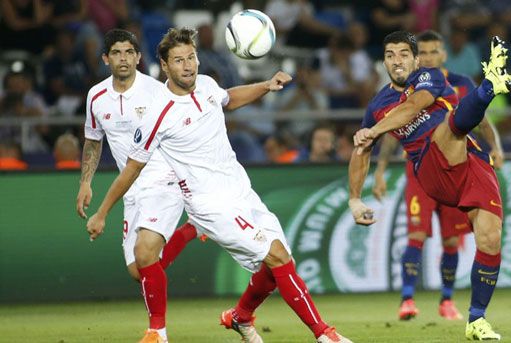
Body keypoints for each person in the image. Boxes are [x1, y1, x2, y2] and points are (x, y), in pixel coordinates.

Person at [86, 27, 352, 343]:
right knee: (277, 256)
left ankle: (240, 317)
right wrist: (102, 211)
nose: (188, 66)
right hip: (210, 204)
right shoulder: (157, 112)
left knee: (279, 265)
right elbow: (131, 168)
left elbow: (228, 98)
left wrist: (266, 86)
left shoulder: (207, 85)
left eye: (191, 57)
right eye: (179, 61)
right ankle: (323, 334)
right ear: (165, 66)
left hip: (241, 189)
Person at [349, 31, 511, 340]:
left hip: (472, 162)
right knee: (448, 128)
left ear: (416, 58)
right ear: (383, 62)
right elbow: (362, 151)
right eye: (389, 55)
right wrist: (354, 198)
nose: (397, 60)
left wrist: (372, 131)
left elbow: (414, 107)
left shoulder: (430, 77)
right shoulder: (377, 105)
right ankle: (488, 88)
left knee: (490, 239)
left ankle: (476, 320)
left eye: (403, 54)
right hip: (429, 169)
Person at [76, 29, 200, 343]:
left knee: (145, 255)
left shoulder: (157, 91)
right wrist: (85, 182)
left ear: (138, 57)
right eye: (116, 53)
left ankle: (157, 332)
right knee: (138, 271)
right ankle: (192, 230)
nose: (123, 58)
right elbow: (93, 141)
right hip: (130, 188)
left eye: (129, 52)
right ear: (106, 58)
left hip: (163, 180)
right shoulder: (96, 96)